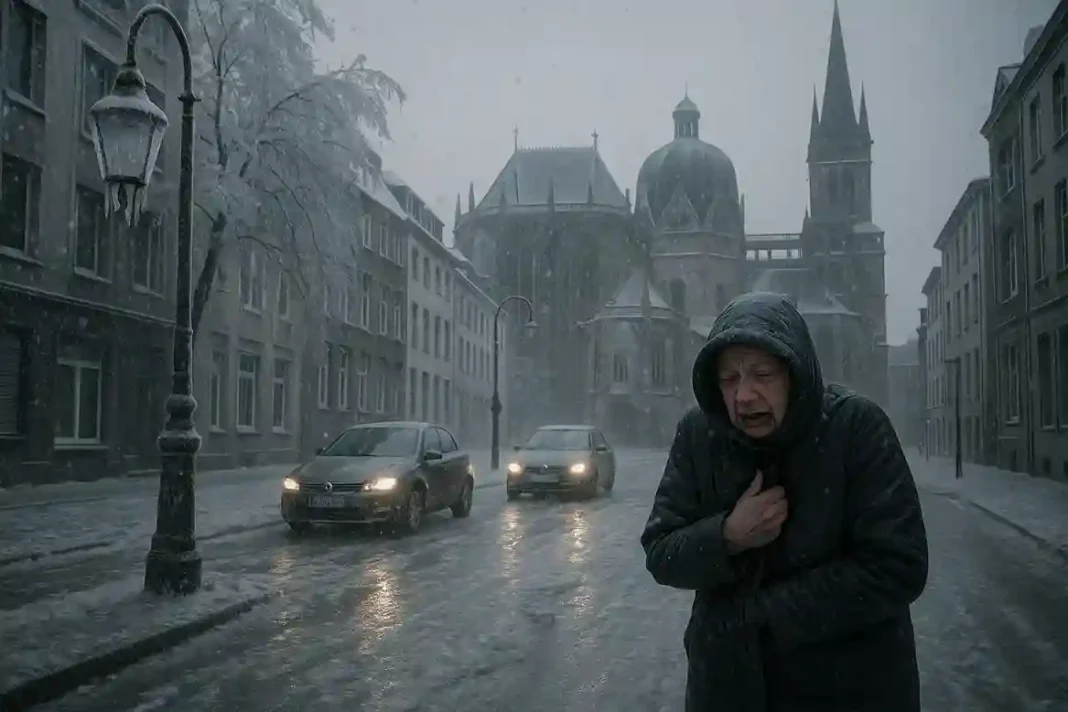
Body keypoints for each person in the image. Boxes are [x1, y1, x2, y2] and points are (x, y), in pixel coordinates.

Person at [640, 292, 929, 712]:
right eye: (728, 378)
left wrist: (760, 616)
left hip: (850, 690)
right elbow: (660, 550)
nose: (743, 395)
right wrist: (727, 537)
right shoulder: (698, 435)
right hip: (726, 689)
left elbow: (899, 565)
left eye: (762, 374)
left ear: (797, 373)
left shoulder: (856, 428)